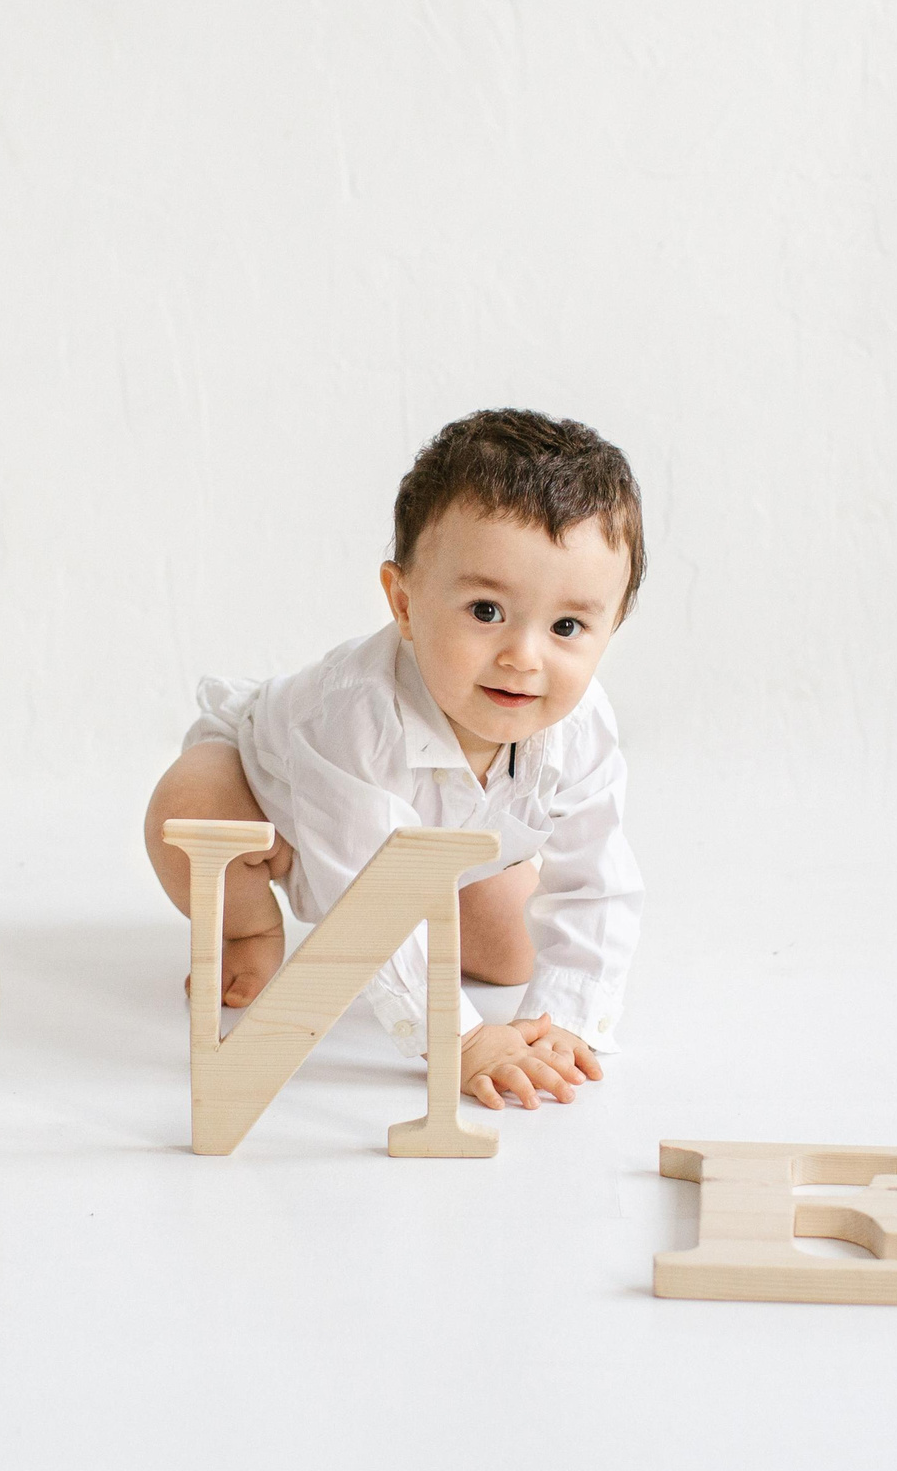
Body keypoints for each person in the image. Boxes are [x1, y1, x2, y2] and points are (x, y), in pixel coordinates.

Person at [142, 409, 645, 1111]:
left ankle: (447, 905)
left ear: (610, 627)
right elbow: (364, 900)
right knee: (188, 807)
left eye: (567, 626)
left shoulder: (582, 723)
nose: (523, 657)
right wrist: (462, 1039)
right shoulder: (357, 716)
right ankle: (250, 923)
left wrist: (563, 1020)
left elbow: (598, 881)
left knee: (512, 954)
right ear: (405, 603)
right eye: (486, 611)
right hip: (273, 798)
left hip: (432, 844)